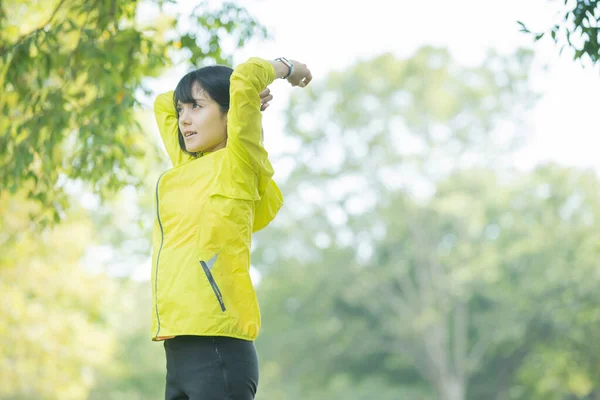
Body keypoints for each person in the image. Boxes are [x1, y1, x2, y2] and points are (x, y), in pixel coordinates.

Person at [151, 56, 312, 400]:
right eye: (183, 110)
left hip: (219, 348)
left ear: (232, 112)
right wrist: (196, 96)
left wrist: (286, 69)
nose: (184, 119)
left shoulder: (239, 160)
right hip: (178, 350)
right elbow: (161, 104)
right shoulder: (186, 166)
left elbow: (244, 77)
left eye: (197, 106)